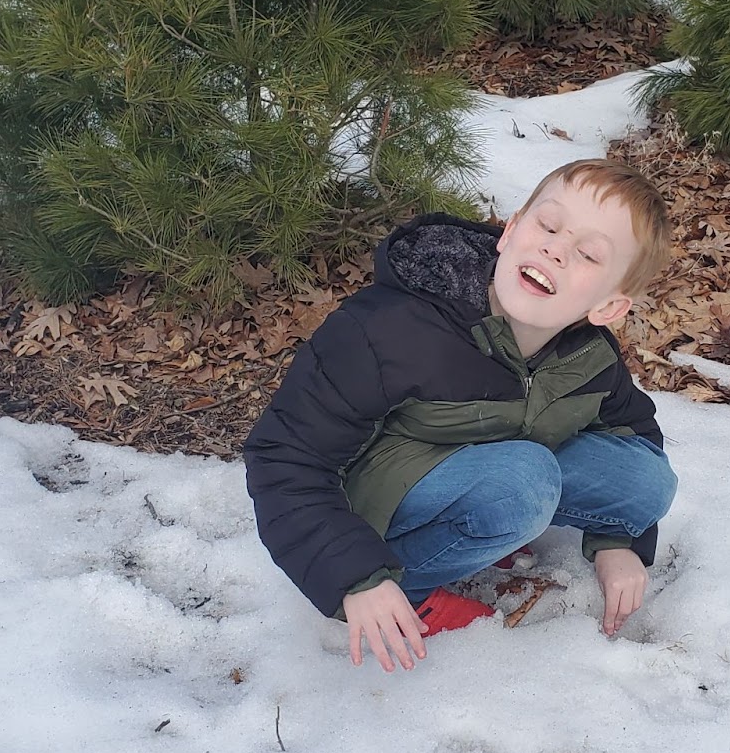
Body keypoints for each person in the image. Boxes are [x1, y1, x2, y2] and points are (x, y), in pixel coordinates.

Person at [244, 158, 678, 674]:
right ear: (511, 230)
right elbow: (284, 457)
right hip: (367, 500)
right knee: (522, 485)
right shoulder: (389, 329)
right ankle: (411, 588)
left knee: (646, 479)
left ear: (607, 307)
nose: (556, 249)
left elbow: (634, 433)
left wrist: (618, 542)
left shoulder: (587, 356)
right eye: (548, 225)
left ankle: (482, 521)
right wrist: (356, 580)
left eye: (587, 254)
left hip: (482, 466)